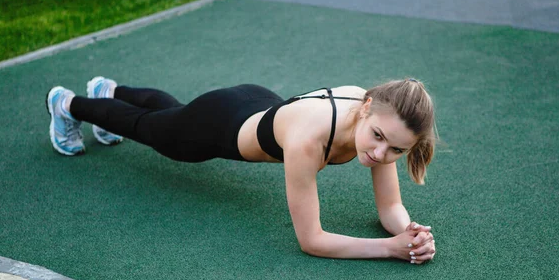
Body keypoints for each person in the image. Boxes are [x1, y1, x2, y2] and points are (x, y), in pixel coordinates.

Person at [46, 77, 437, 264]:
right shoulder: (306, 141)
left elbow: (389, 207)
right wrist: (388, 248)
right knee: (152, 131)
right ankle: (67, 104)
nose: (380, 153)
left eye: (396, 150)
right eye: (378, 137)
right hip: (220, 125)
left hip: (252, 103)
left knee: (172, 115)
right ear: (367, 108)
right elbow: (312, 240)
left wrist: (408, 232)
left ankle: (110, 91)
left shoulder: (377, 121)